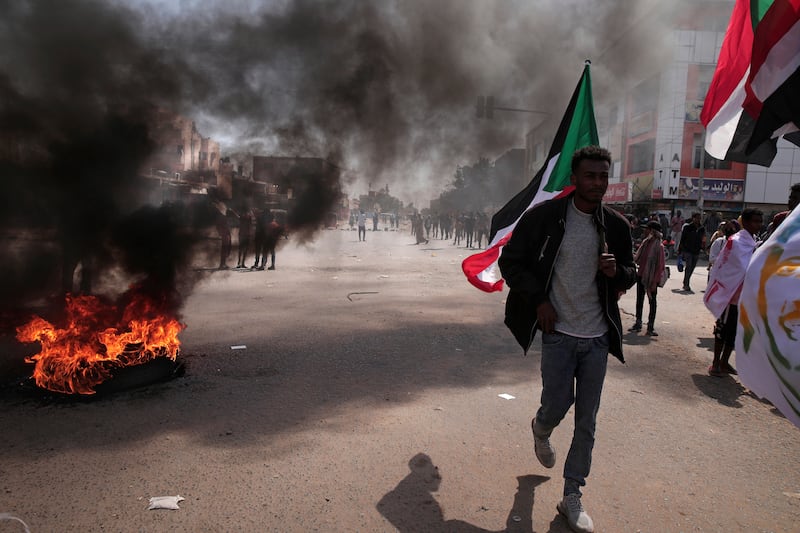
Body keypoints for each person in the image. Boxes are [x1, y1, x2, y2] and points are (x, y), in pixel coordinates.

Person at [498, 146, 636, 533]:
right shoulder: (543, 219)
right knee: (557, 404)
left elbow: (630, 272)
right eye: (590, 176)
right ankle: (541, 427)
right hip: (558, 335)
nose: (597, 183)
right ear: (574, 178)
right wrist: (539, 300)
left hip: (596, 339)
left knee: (587, 421)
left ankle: (572, 494)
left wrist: (617, 272)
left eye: (603, 177)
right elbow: (511, 262)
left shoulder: (617, 227)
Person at [703, 209, 763, 376]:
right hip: (730, 295)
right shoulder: (735, 242)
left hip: (745, 297)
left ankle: (724, 362)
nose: (758, 225)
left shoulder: (756, 242)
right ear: (745, 222)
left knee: (735, 333)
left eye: (760, 221)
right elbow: (728, 265)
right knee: (722, 330)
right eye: (754, 221)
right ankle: (715, 362)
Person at [630, 220, 666, 336]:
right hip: (641, 275)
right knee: (639, 300)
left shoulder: (659, 247)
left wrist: (655, 282)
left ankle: (650, 327)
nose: (645, 231)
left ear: (652, 231)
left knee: (652, 302)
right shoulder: (645, 243)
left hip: (651, 279)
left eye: (647, 229)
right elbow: (638, 258)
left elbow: (660, 266)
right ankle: (638, 323)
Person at [677, 212, 705, 292]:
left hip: (696, 251)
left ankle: (686, 281)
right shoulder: (688, 227)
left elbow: (703, 239)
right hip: (687, 250)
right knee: (688, 266)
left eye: (699, 218)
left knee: (692, 268)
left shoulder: (701, 228)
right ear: (693, 218)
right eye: (697, 218)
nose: (698, 219)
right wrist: (680, 249)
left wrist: (703, 247)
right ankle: (686, 284)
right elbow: (682, 239)